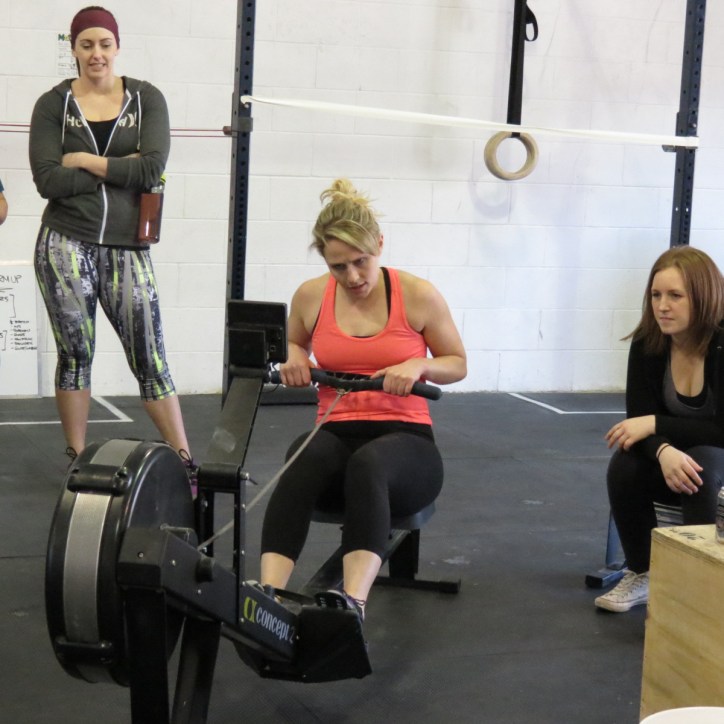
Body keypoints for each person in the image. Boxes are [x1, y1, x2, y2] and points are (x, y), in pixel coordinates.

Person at [260, 178, 467, 620]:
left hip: (407, 446)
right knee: (301, 455)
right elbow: (293, 344)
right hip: (336, 435)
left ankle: (351, 606)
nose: (352, 277)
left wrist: (418, 365)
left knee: (369, 464)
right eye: (338, 267)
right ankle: (267, 598)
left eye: (361, 262)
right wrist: (293, 358)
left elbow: (457, 363)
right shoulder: (311, 295)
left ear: (380, 245)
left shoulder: (417, 294)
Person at [28, 6, 194, 475]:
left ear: (117, 46)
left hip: (127, 248)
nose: (96, 53)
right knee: (75, 355)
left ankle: (186, 461)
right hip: (64, 243)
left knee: (151, 357)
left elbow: (152, 168)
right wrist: (122, 169)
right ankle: (77, 459)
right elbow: (47, 180)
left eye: (104, 44)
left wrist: (82, 160)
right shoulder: (52, 105)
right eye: (86, 45)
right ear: (74, 49)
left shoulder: (146, 98)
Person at [595, 245, 724, 613]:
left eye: (675, 296)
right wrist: (663, 450)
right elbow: (635, 425)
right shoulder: (648, 343)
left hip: (716, 455)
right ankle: (643, 571)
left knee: (700, 466)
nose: (662, 306)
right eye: (656, 295)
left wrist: (656, 425)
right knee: (625, 462)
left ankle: (698, 587)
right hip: (679, 452)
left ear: (702, 297)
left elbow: (721, 431)